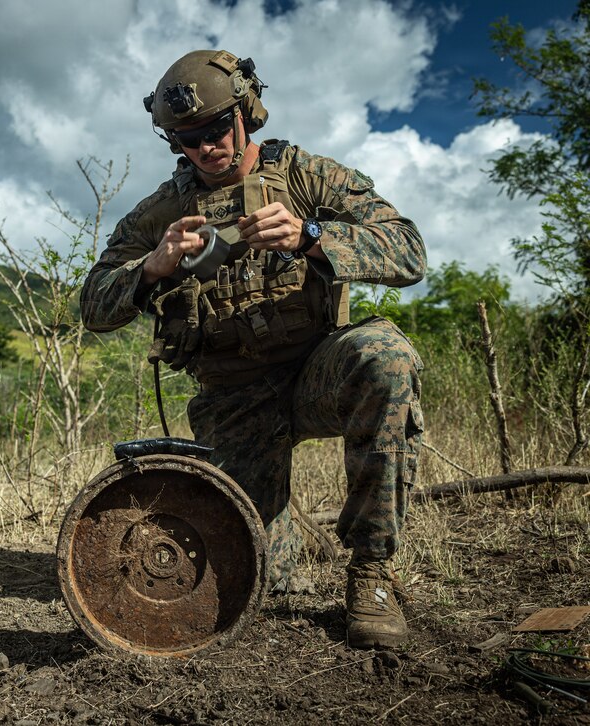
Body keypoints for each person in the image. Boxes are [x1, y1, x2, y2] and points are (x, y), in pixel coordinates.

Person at [80, 50, 426, 649]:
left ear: (245, 114)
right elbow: (93, 307)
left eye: (215, 129)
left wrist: (313, 236)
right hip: (233, 399)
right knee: (258, 587)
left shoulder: (305, 176)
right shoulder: (161, 211)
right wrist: (151, 268)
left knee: (385, 357)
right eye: (187, 138)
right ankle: (280, 541)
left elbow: (409, 252)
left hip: (317, 370)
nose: (206, 147)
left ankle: (371, 572)